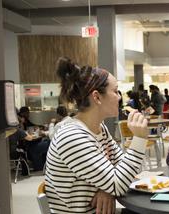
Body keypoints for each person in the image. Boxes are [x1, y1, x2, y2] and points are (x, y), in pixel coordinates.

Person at [45, 57, 150, 213]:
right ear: (97, 97)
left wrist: (107, 188)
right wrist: (139, 139)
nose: (120, 97)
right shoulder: (72, 137)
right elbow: (118, 183)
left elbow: (123, 173)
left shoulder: (99, 129)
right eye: (115, 91)